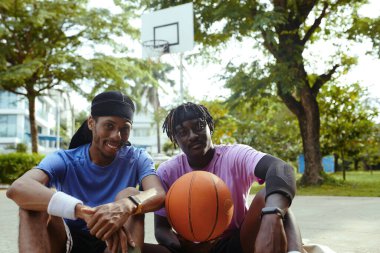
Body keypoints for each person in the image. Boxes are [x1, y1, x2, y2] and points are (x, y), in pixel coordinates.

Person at [7, 91, 168, 253]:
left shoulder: (137, 157)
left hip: (114, 241)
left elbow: (158, 193)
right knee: (32, 205)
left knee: (131, 194)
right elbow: (18, 187)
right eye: (109, 126)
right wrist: (83, 212)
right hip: (68, 241)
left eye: (124, 128)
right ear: (91, 123)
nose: (117, 136)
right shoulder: (64, 159)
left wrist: (126, 206)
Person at [154, 102, 304, 253]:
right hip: (194, 247)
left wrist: (272, 216)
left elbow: (281, 169)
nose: (192, 136)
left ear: (210, 127)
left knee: (271, 199)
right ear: (175, 139)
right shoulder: (167, 171)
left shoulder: (234, 155)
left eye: (198, 126)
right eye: (182, 132)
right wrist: (183, 247)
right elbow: (161, 228)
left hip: (238, 241)